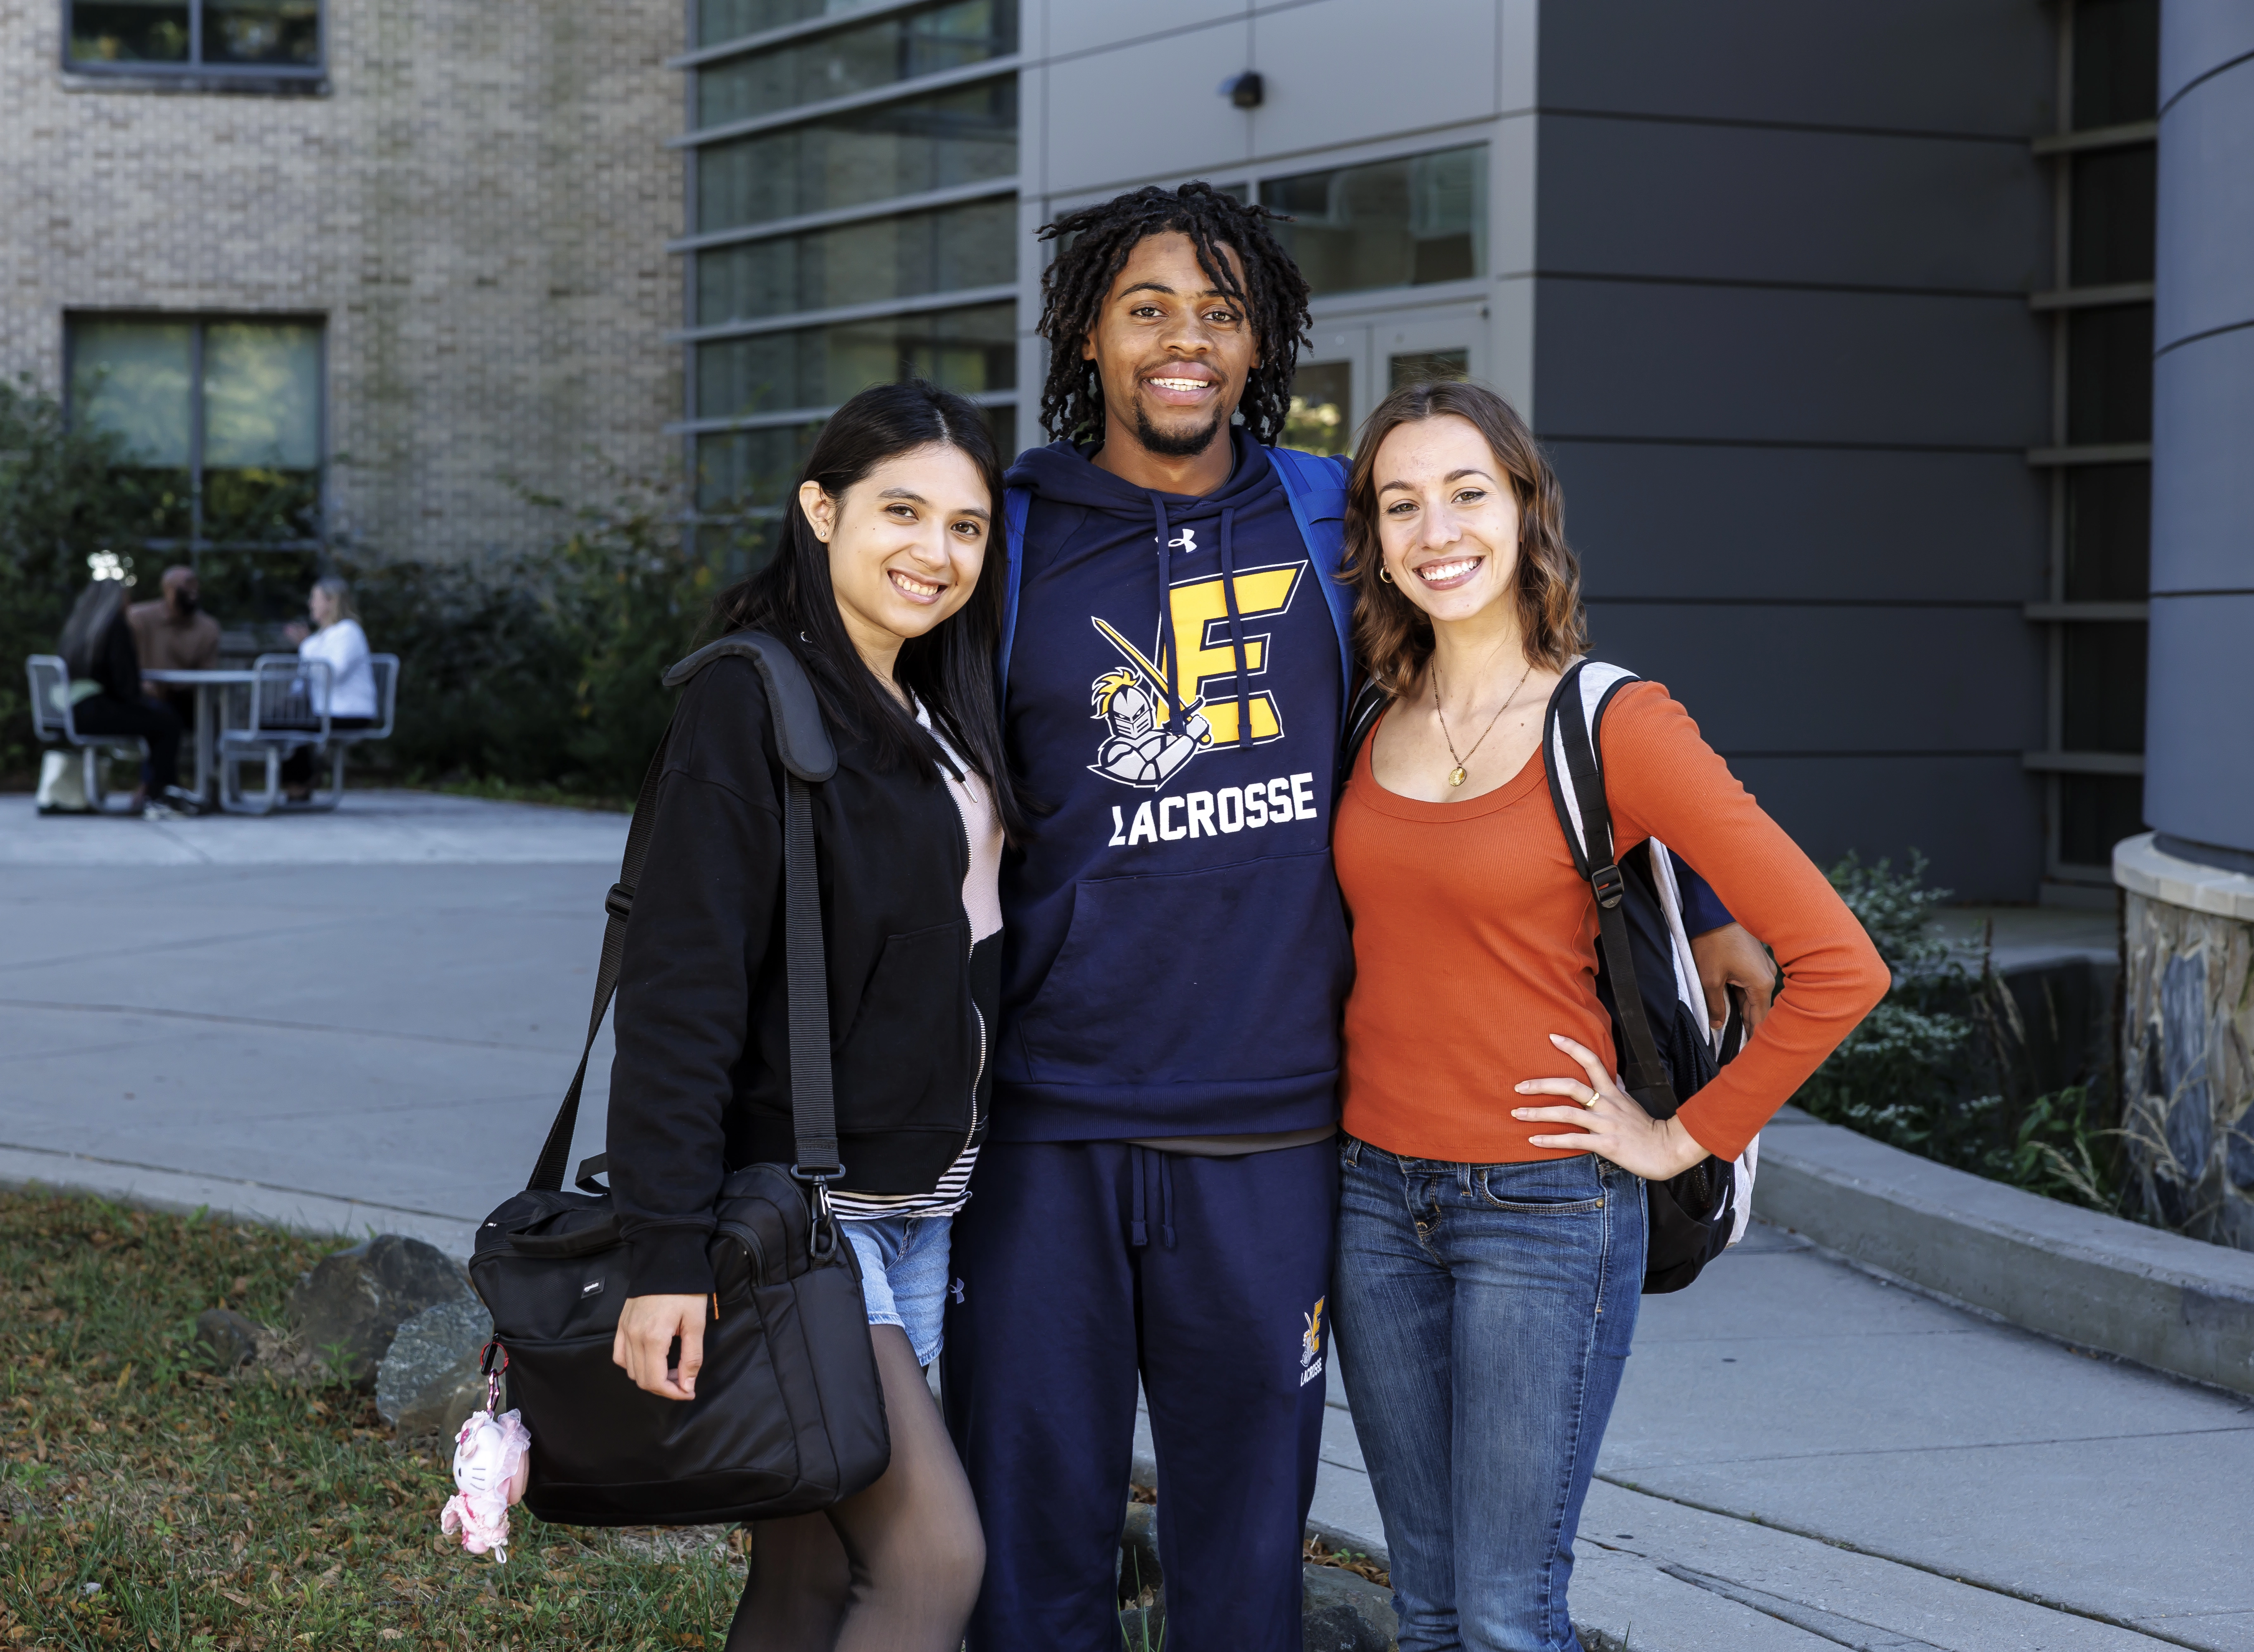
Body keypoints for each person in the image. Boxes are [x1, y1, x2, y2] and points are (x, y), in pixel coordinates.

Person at [941, 183, 1781, 1652]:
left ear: (1264, 342)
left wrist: (1695, 895)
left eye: (1220, 311)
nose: (1184, 341)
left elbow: (1506, 679)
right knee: (1031, 1560)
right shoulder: (1009, 538)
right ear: (1090, 331)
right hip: (1045, 1125)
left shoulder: (1332, 514)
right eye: (1147, 308)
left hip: (1274, 1139)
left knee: (1245, 1573)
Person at [1327, 380, 1890, 1652]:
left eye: (1468, 492)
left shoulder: (1614, 720)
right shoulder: (1369, 713)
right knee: (1421, 1609)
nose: (1437, 529)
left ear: (1526, 510)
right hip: (1369, 1199)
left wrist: (1679, 1136)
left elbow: (1840, 964)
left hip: (1545, 1208)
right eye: (1400, 502)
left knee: (1507, 1614)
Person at [605, 381, 1023, 1652]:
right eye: (900, 511)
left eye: (965, 527)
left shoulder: (936, 705)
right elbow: (680, 993)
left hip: (921, 1209)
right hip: (803, 1220)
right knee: (931, 1560)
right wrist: (665, 1250)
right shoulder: (750, 700)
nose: (934, 553)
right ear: (819, 507)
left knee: (805, 1572)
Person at [57, 576, 200, 819]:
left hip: (71, 709)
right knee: (167, 721)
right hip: (95, 712)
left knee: (159, 716)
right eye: (126, 596)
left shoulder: (78, 629)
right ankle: (160, 795)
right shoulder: (116, 627)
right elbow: (125, 686)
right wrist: (143, 692)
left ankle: (152, 789)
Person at [277, 576, 378, 798]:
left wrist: (305, 646)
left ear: (332, 602)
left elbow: (334, 673)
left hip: (350, 712)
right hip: (325, 711)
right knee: (278, 719)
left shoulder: (349, 632)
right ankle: (300, 779)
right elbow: (306, 676)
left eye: (316, 598)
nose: (311, 604)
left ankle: (300, 783)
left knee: (288, 724)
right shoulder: (319, 638)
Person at [127, 565, 221, 725]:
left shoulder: (208, 628)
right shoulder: (139, 619)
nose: (193, 590)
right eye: (187, 584)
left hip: (188, 697)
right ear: (168, 590)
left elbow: (208, 673)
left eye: (195, 585)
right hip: (147, 693)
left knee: (212, 713)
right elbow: (123, 660)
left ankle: (209, 750)